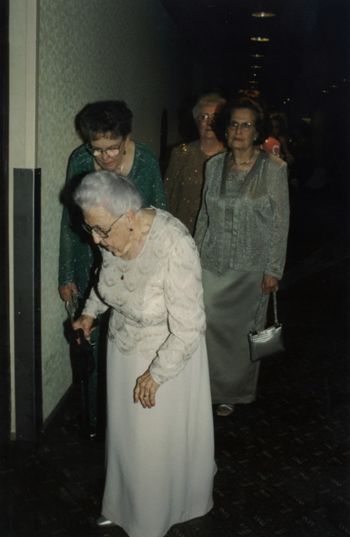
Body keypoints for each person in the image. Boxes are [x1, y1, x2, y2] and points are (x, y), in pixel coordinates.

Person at [72, 171, 216, 537]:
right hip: (123, 351)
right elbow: (107, 280)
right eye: (92, 229)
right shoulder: (112, 231)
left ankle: (156, 515)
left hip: (167, 355)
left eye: (101, 230)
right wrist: (90, 312)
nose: (96, 239)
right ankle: (122, 506)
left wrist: (155, 374)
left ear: (131, 217)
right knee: (127, 438)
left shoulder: (174, 244)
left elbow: (189, 326)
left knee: (154, 443)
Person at [58, 100, 166, 434]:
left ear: (127, 137)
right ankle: (95, 422)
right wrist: (66, 273)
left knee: (124, 344)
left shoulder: (145, 162)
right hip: (88, 259)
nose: (105, 159)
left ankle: (125, 422)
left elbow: (159, 219)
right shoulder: (79, 160)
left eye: (113, 149)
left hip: (133, 264)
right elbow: (69, 221)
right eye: (97, 150)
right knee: (90, 339)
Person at [194, 97, 290, 417]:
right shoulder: (214, 165)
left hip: (252, 267)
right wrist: (193, 260)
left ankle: (233, 393)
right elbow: (204, 217)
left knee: (242, 334)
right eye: (234, 123)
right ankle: (204, 386)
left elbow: (280, 221)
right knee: (205, 324)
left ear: (257, 130)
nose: (239, 130)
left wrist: (273, 269)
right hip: (213, 262)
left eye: (247, 124)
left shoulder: (274, 169)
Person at [164, 93, 226, 234]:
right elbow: (168, 195)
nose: (209, 123)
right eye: (203, 117)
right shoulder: (181, 154)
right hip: (183, 233)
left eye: (215, 117)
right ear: (196, 121)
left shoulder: (231, 158)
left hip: (218, 237)